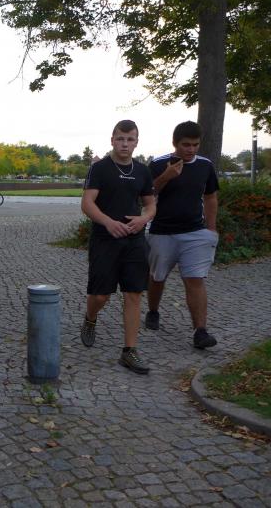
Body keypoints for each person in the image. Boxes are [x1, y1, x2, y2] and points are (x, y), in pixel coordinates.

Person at [80, 120, 156, 374]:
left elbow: (150, 204)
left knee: (133, 293)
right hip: (105, 238)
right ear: (112, 140)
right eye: (120, 139)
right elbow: (87, 203)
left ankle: (129, 351)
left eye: (130, 139)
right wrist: (108, 222)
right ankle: (90, 318)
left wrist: (143, 219)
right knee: (100, 295)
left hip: (134, 239)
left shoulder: (142, 171)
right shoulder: (100, 168)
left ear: (136, 142)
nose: (125, 144)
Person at [145, 121, 220, 349]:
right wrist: (166, 176)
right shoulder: (158, 164)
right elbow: (145, 195)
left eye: (195, 145)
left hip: (195, 232)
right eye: (186, 145)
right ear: (175, 143)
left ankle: (200, 332)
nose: (191, 149)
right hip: (162, 232)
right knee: (157, 278)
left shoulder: (205, 166)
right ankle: (153, 311)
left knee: (195, 280)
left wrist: (211, 228)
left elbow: (210, 197)